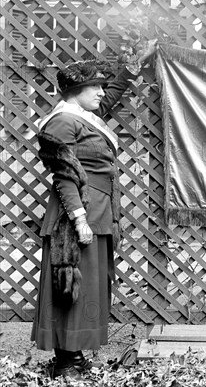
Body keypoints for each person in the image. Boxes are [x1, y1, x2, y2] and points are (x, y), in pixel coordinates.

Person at [31, 39, 157, 379]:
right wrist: (79, 219)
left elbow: (112, 96)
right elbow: (64, 174)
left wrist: (131, 68)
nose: (102, 93)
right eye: (95, 87)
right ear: (76, 91)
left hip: (97, 214)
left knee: (86, 288)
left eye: (102, 86)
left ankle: (76, 356)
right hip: (75, 219)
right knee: (68, 289)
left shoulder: (83, 116)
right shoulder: (62, 122)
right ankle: (65, 361)